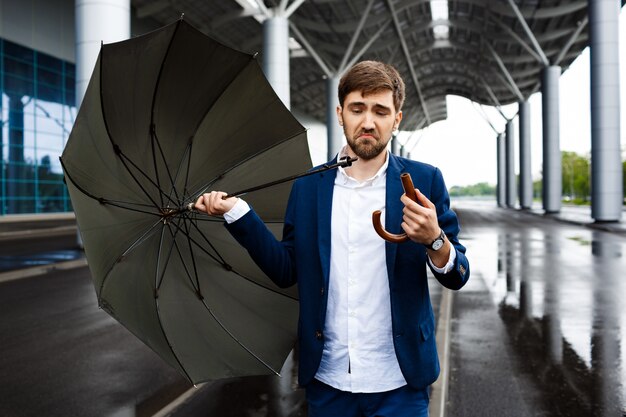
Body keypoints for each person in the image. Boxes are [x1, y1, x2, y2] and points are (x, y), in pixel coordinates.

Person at [195, 60, 470, 417]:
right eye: (357, 109)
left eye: (380, 111)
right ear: (340, 114)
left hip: (401, 382)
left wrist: (435, 240)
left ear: (397, 119)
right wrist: (238, 213)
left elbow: (458, 274)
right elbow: (285, 270)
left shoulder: (424, 181)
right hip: (329, 382)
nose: (368, 122)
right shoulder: (308, 186)